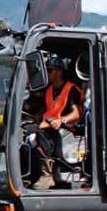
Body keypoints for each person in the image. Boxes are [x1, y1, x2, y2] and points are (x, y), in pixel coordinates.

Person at [29, 56, 82, 188]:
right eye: (46, 70)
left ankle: (47, 175)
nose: (47, 73)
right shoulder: (49, 90)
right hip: (48, 125)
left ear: (59, 72)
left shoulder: (71, 89)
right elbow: (46, 110)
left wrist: (61, 120)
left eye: (50, 70)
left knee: (39, 132)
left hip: (65, 128)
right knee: (27, 130)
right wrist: (33, 118)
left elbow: (77, 113)